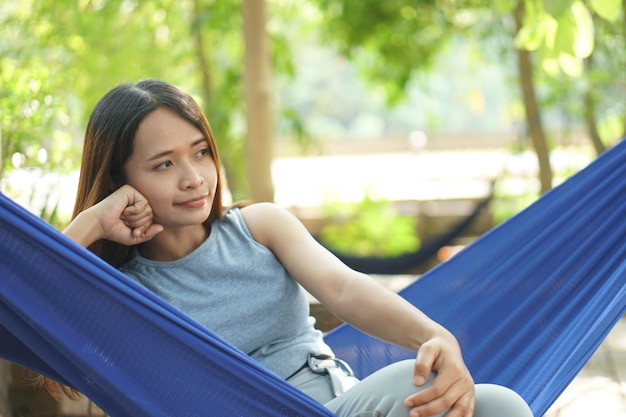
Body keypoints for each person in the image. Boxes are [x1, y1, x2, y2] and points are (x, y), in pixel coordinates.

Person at [48, 79, 533, 417]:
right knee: (422, 385)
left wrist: (436, 336)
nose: (194, 177)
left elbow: (342, 288)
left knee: (506, 408)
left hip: (343, 402)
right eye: (163, 164)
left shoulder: (258, 227)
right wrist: (92, 221)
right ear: (118, 178)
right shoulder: (123, 289)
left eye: (200, 152)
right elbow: (31, 304)